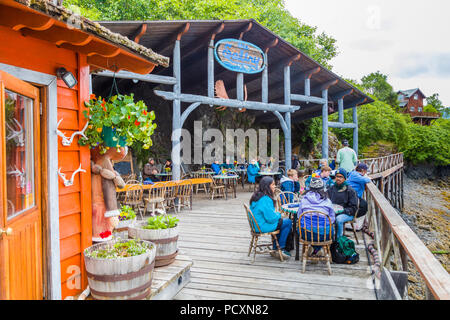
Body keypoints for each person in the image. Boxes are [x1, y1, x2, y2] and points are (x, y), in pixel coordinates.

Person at [249, 176, 292, 259]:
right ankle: (280, 248)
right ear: (267, 186)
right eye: (273, 184)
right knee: (288, 222)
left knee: (282, 222)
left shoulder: (256, 196)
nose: (274, 186)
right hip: (262, 226)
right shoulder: (265, 199)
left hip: (256, 224)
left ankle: (276, 247)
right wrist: (279, 214)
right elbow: (271, 219)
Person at [297, 178, 335, 255]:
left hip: (306, 234)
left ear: (310, 188)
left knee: (302, 227)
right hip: (324, 235)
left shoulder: (304, 200)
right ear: (323, 189)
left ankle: (315, 248)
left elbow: (299, 216)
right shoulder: (327, 201)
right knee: (329, 228)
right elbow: (332, 219)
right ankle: (317, 249)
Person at [327, 168, 359, 238]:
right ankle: (329, 238)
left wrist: (343, 211)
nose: (338, 178)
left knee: (339, 219)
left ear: (345, 178)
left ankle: (339, 240)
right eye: (337, 176)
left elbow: (354, 207)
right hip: (333, 212)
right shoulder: (331, 189)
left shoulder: (350, 190)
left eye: (340, 177)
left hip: (347, 213)